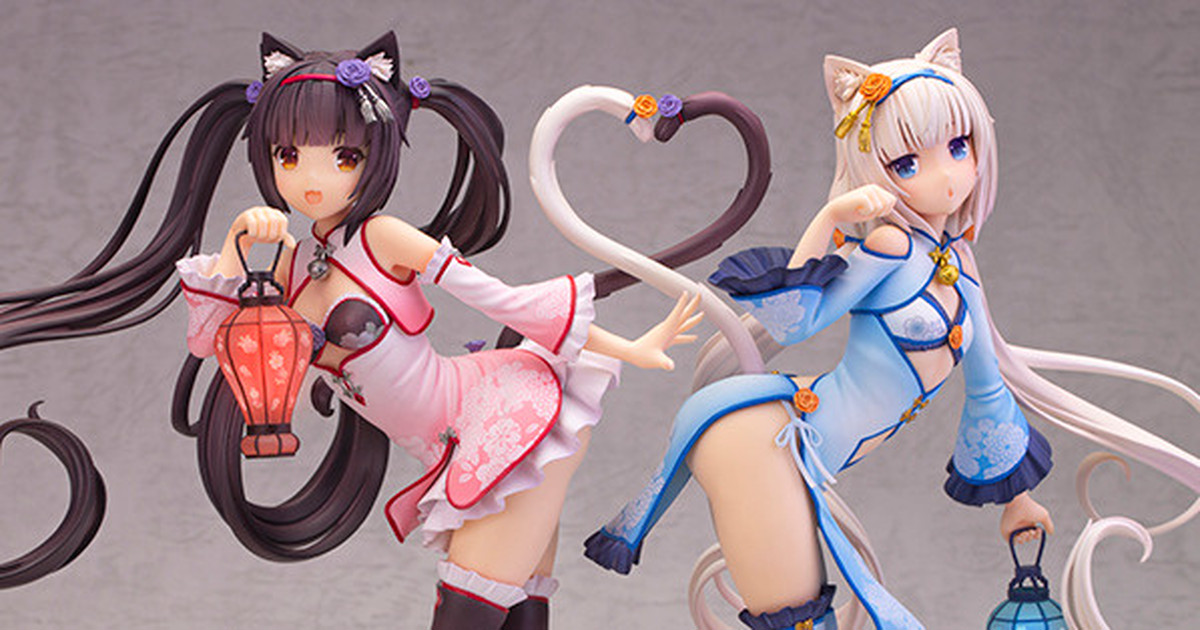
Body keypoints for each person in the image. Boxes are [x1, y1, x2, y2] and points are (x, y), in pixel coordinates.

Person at [583, 28, 1200, 630]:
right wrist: (829, 217)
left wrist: (1016, 500)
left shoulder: (960, 263)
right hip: (768, 440)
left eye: (959, 146)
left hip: (802, 444)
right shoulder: (887, 246)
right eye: (907, 162)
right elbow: (798, 323)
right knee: (799, 618)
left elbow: (988, 385)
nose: (946, 176)